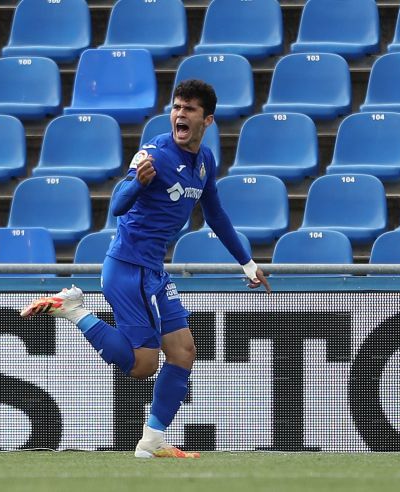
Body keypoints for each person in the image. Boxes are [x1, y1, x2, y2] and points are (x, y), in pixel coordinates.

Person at [20, 79, 271, 458]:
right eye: (177, 107)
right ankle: (74, 309)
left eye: (189, 109)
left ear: (208, 121)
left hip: (152, 270)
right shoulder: (154, 152)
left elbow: (216, 215)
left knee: (184, 351)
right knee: (142, 366)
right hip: (128, 267)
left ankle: (152, 440)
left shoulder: (204, 162)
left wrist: (248, 263)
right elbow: (118, 206)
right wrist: (138, 183)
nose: (180, 114)